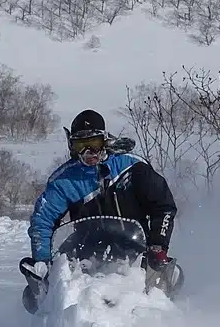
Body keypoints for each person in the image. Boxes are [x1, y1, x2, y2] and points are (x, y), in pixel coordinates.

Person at [24, 109, 178, 280]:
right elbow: (42, 221)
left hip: (136, 251)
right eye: (80, 146)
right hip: (85, 255)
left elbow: (163, 206)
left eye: (93, 143)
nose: (88, 152)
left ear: (105, 141)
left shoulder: (133, 167)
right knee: (35, 292)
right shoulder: (63, 180)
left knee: (172, 276)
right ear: (71, 146)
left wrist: (158, 246)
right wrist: (43, 261)